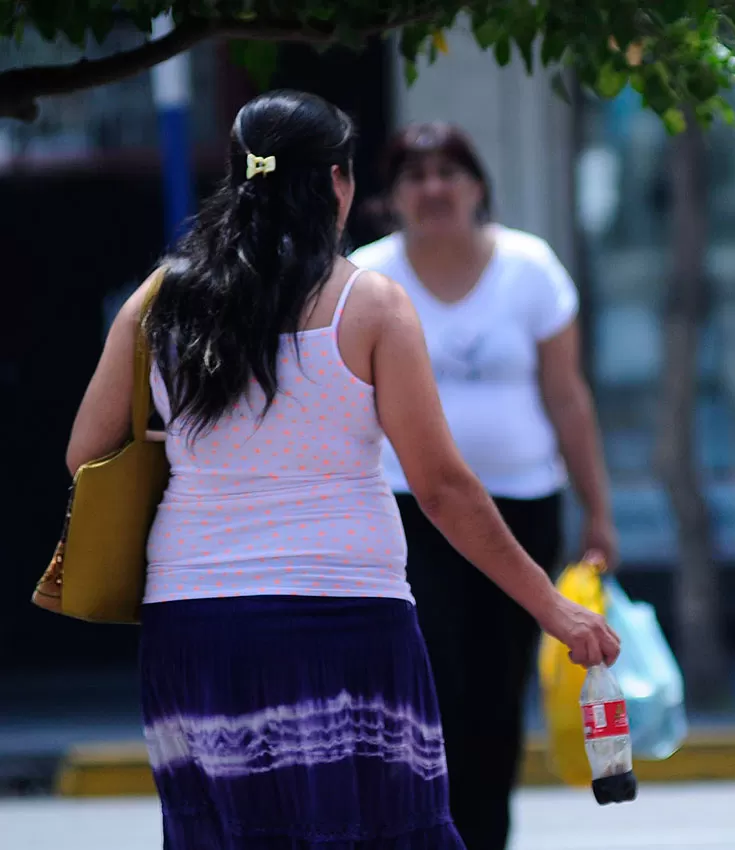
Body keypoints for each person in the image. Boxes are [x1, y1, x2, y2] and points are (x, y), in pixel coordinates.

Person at [64, 90, 619, 849]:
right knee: (370, 828)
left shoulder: (161, 299)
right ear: (337, 184)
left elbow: (84, 454)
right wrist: (552, 609)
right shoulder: (370, 303)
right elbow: (443, 488)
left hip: (192, 617)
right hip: (342, 615)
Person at [348, 122, 617, 849]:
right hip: (407, 515)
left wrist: (599, 511)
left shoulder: (530, 268)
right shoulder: (366, 278)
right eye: (416, 175)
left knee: (497, 697)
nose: (434, 188)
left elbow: (567, 397)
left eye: (449, 172)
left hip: (523, 510)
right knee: (433, 689)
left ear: (477, 186)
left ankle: (484, 838)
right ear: (392, 196)